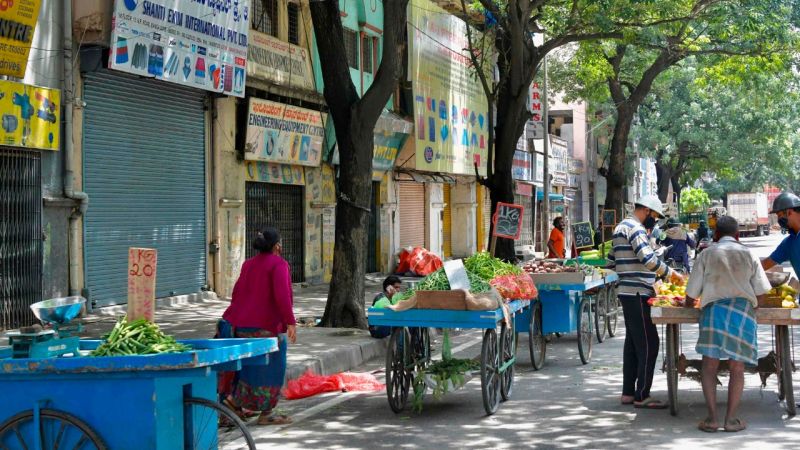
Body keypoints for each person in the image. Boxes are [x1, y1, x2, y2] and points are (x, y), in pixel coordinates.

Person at [685, 216, 771, 433]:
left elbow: (691, 294)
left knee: (709, 366)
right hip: (742, 313)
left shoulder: (706, 254)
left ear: (715, 235)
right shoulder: (749, 254)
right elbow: (761, 296)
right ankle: (731, 420)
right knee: (737, 368)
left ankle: (712, 419)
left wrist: (691, 302)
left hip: (714, 312)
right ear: (737, 235)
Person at [609, 195, 684, 409]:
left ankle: (628, 393)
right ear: (647, 211)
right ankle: (642, 395)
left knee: (633, 344)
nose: (656, 220)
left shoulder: (620, 227)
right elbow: (648, 260)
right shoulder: (635, 228)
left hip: (626, 291)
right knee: (650, 344)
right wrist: (671, 274)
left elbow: (611, 260)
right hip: (637, 293)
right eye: (655, 216)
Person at [217, 227, 297, 426]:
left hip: (240, 325)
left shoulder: (248, 264)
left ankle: (233, 406)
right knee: (272, 369)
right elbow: (282, 296)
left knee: (247, 368)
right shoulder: (279, 264)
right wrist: (290, 321)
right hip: (266, 327)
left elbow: (237, 293)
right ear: (277, 246)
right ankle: (265, 412)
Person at [761, 192, 800, 275]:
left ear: (789, 212)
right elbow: (766, 264)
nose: (779, 220)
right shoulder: (788, 243)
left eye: (779, 215)